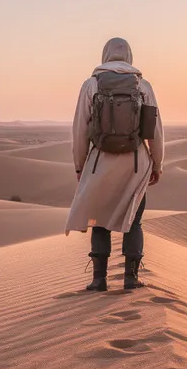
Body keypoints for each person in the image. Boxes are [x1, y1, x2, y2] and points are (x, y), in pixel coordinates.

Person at [65, 37, 164, 291]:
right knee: (135, 218)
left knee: (100, 219)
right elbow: (155, 131)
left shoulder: (91, 85)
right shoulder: (143, 86)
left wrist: (79, 165)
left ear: (105, 55)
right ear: (129, 56)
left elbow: (79, 130)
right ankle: (131, 278)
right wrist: (157, 164)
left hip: (101, 162)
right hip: (135, 162)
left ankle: (99, 280)